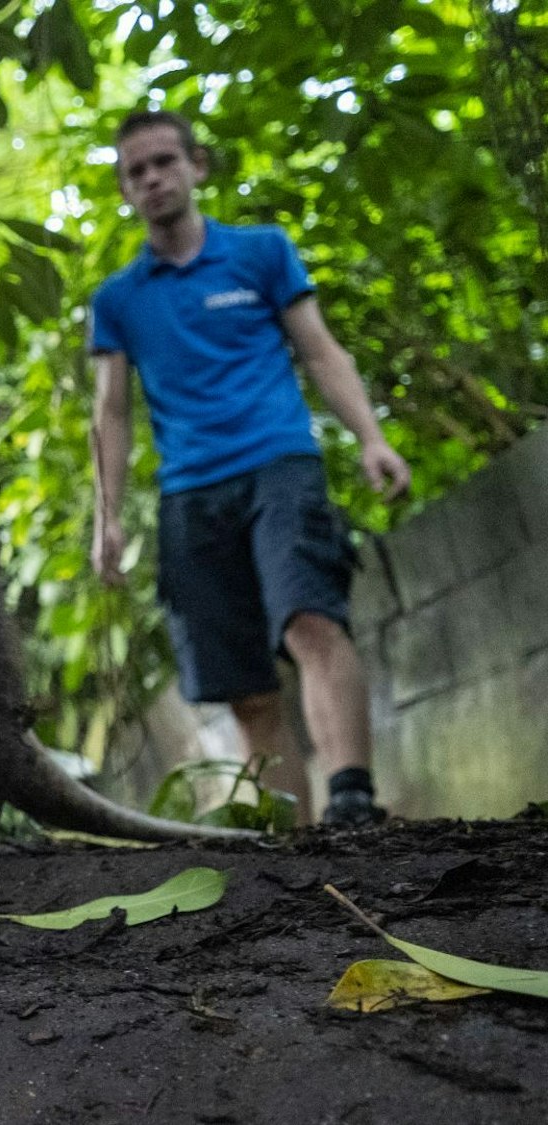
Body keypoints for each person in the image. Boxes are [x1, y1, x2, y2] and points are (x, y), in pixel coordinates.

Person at [88, 109, 411, 827]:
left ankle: (353, 802)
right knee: (246, 688)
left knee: (311, 622)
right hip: (190, 495)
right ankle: (293, 844)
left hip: (279, 466)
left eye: (164, 161)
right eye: (136, 171)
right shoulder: (117, 300)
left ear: (196, 167)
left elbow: (322, 351)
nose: (153, 178)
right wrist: (106, 518)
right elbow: (112, 412)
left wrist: (372, 438)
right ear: (125, 189)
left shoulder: (262, 253)